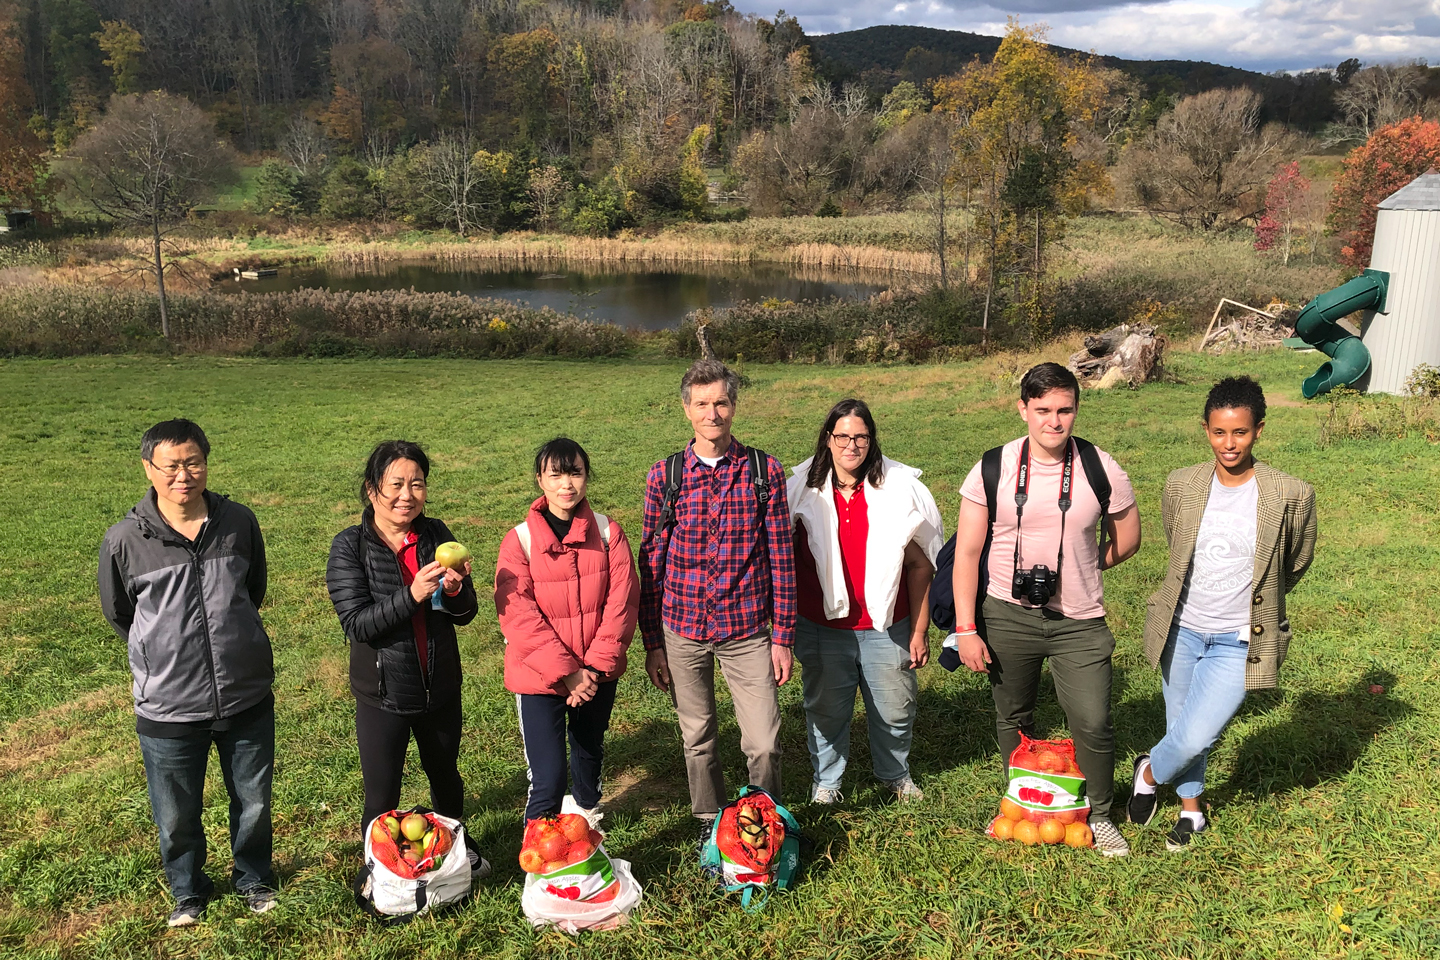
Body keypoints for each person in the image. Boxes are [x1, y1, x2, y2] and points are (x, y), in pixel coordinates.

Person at [949, 362, 1143, 857]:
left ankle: (1098, 815)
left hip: (1079, 619)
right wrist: (967, 628)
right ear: (1023, 410)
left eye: (1064, 410)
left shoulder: (1101, 467)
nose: (1053, 422)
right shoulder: (993, 467)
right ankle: (1025, 801)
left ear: (1076, 409)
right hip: (1007, 615)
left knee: (1093, 720)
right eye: (1042, 411)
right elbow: (968, 554)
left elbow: (1129, 539)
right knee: (1013, 715)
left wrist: (1082, 565)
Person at [98, 419, 278, 927]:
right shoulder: (124, 540)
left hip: (245, 695)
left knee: (254, 802)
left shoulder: (239, 521)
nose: (184, 475)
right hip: (169, 705)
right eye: (171, 465)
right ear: (148, 469)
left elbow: (253, 589)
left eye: (193, 462)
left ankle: (253, 877)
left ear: (206, 462)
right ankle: (188, 890)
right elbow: (121, 615)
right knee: (175, 814)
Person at [1128, 376, 1316, 849]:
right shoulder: (1182, 484)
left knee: (1196, 735)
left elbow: (1295, 559)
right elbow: (1178, 545)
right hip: (1183, 629)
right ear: (1205, 430)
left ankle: (1148, 771)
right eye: (1218, 432)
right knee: (1181, 727)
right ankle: (1192, 813)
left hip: (1239, 638)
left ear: (1259, 430)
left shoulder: (1291, 493)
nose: (1229, 444)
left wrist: (1263, 595)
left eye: (1240, 433)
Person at [638, 359, 797, 837]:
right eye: (702, 404)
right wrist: (653, 643)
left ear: (734, 406)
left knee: (764, 741)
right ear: (687, 410)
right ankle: (710, 821)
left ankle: (763, 819)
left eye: (721, 402)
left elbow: (781, 558)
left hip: (747, 629)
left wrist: (783, 637)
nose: (713, 413)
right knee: (698, 737)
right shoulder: (664, 476)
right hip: (681, 628)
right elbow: (651, 561)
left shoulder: (763, 471)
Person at [325, 440, 490, 879]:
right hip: (384, 694)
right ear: (371, 489)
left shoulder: (436, 535)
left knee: (446, 780)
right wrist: (412, 594)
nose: (407, 495)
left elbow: (467, 613)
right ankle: (379, 871)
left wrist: (455, 592)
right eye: (395, 484)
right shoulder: (349, 547)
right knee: (382, 795)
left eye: (416, 484)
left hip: (439, 687)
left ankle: (455, 855)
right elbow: (358, 624)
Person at [788, 399, 944, 805]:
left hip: (886, 626)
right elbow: (778, 562)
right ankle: (828, 781)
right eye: (842, 436)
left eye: (860, 436)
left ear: (871, 440)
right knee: (825, 709)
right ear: (828, 438)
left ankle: (895, 774)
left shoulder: (898, 491)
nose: (851, 445)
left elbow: (920, 566)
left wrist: (920, 629)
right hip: (822, 627)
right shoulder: (800, 491)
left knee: (895, 709)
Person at [495, 438, 640, 823]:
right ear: (540, 480)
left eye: (575, 472)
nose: (566, 484)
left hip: (597, 673)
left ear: (586, 476)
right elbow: (517, 614)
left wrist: (593, 668)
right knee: (548, 777)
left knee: (589, 752)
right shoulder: (519, 541)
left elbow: (622, 601)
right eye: (555, 474)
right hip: (539, 678)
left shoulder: (609, 533)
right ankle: (538, 859)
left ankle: (587, 827)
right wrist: (568, 671)